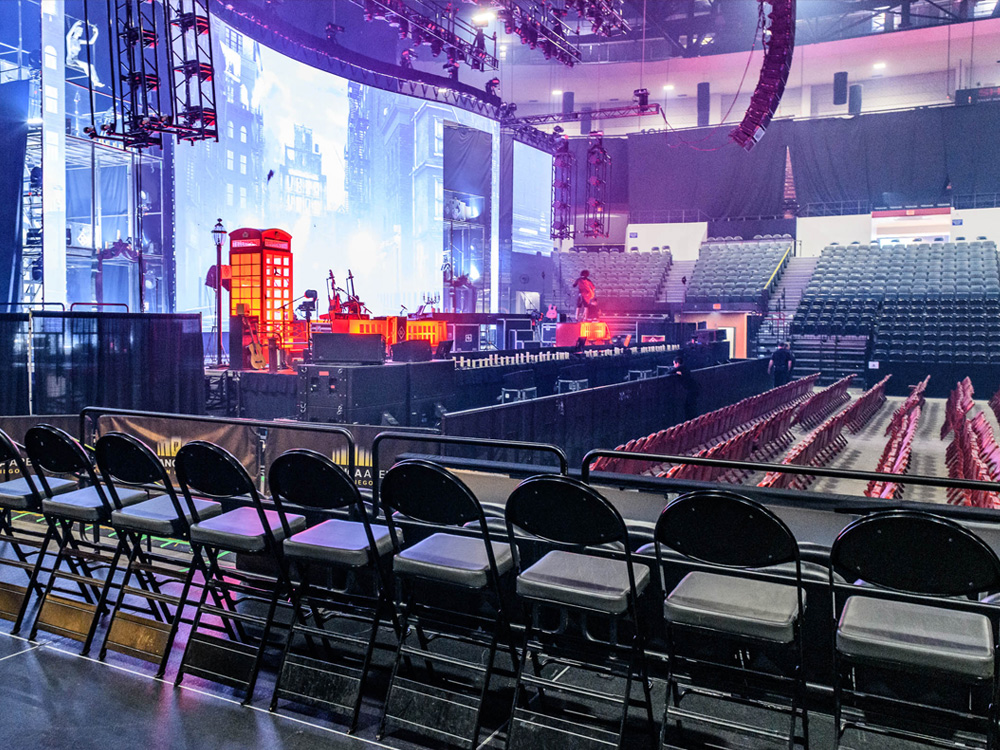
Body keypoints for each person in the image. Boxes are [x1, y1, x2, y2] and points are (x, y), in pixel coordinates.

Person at [668, 353, 699, 421]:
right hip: (694, 388)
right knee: (691, 405)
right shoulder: (685, 367)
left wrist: (675, 371)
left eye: (674, 364)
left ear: (677, 363)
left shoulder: (681, 367)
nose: (674, 366)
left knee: (689, 406)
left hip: (692, 389)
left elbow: (669, 372)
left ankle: (691, 420)